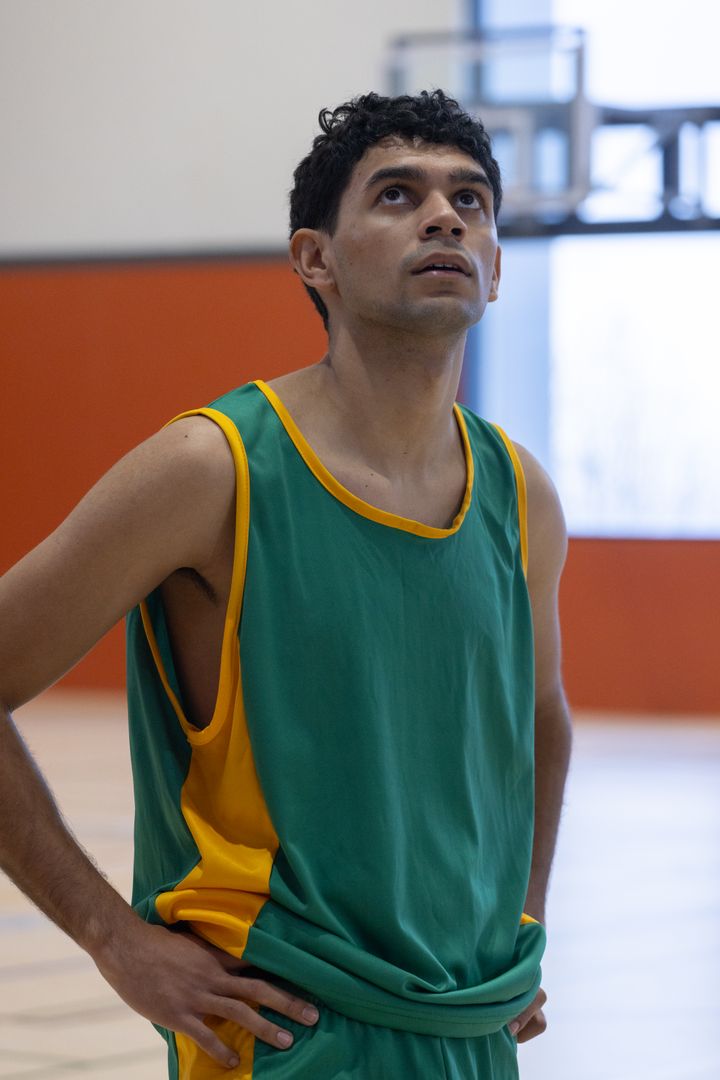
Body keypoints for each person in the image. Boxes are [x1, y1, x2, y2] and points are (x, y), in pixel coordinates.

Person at [0, 89, 572, 1079]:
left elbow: (542, 718)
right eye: (398, 195)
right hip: (283, 1032)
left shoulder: (522, 494)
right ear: (316, 259)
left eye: (471, 200)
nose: (446, 217)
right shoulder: (209, 471)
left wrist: (523, 915)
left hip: (470, 1028)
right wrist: (112, 938)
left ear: (496, 266)